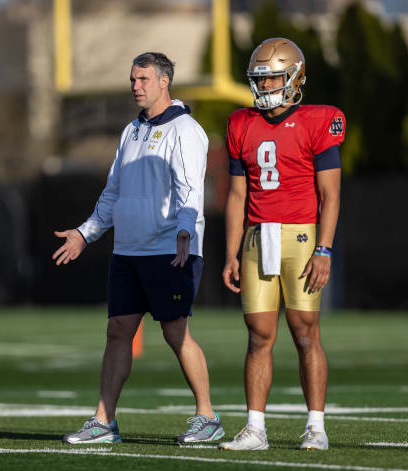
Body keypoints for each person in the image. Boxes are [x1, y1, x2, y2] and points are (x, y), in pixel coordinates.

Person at [53, 52, 223, 445]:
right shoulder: (130, 131)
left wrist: (184, 231)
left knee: (175, 331)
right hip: (128, 252)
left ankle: (207, 416)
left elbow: (190, 189)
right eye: (133, 79)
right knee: (118, 332)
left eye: (143, 79)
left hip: (170, 249)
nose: (136, 86)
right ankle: (103, 422)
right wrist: (84, 233)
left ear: (165, 82)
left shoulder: (186, 130)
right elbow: (113, 194)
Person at [219, 38, 344, 451]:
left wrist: (324, 249)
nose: (265, 85)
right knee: (258, 335)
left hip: (302, 235)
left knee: (306, 332)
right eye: (260, 78)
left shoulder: (317, 121)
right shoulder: (241, 123)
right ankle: (255, 428)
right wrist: (231, 252)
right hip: (257, 235)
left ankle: (316, 426)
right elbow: (237, 196)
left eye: (272, 76)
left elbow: (330, 195)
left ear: (294, 77)